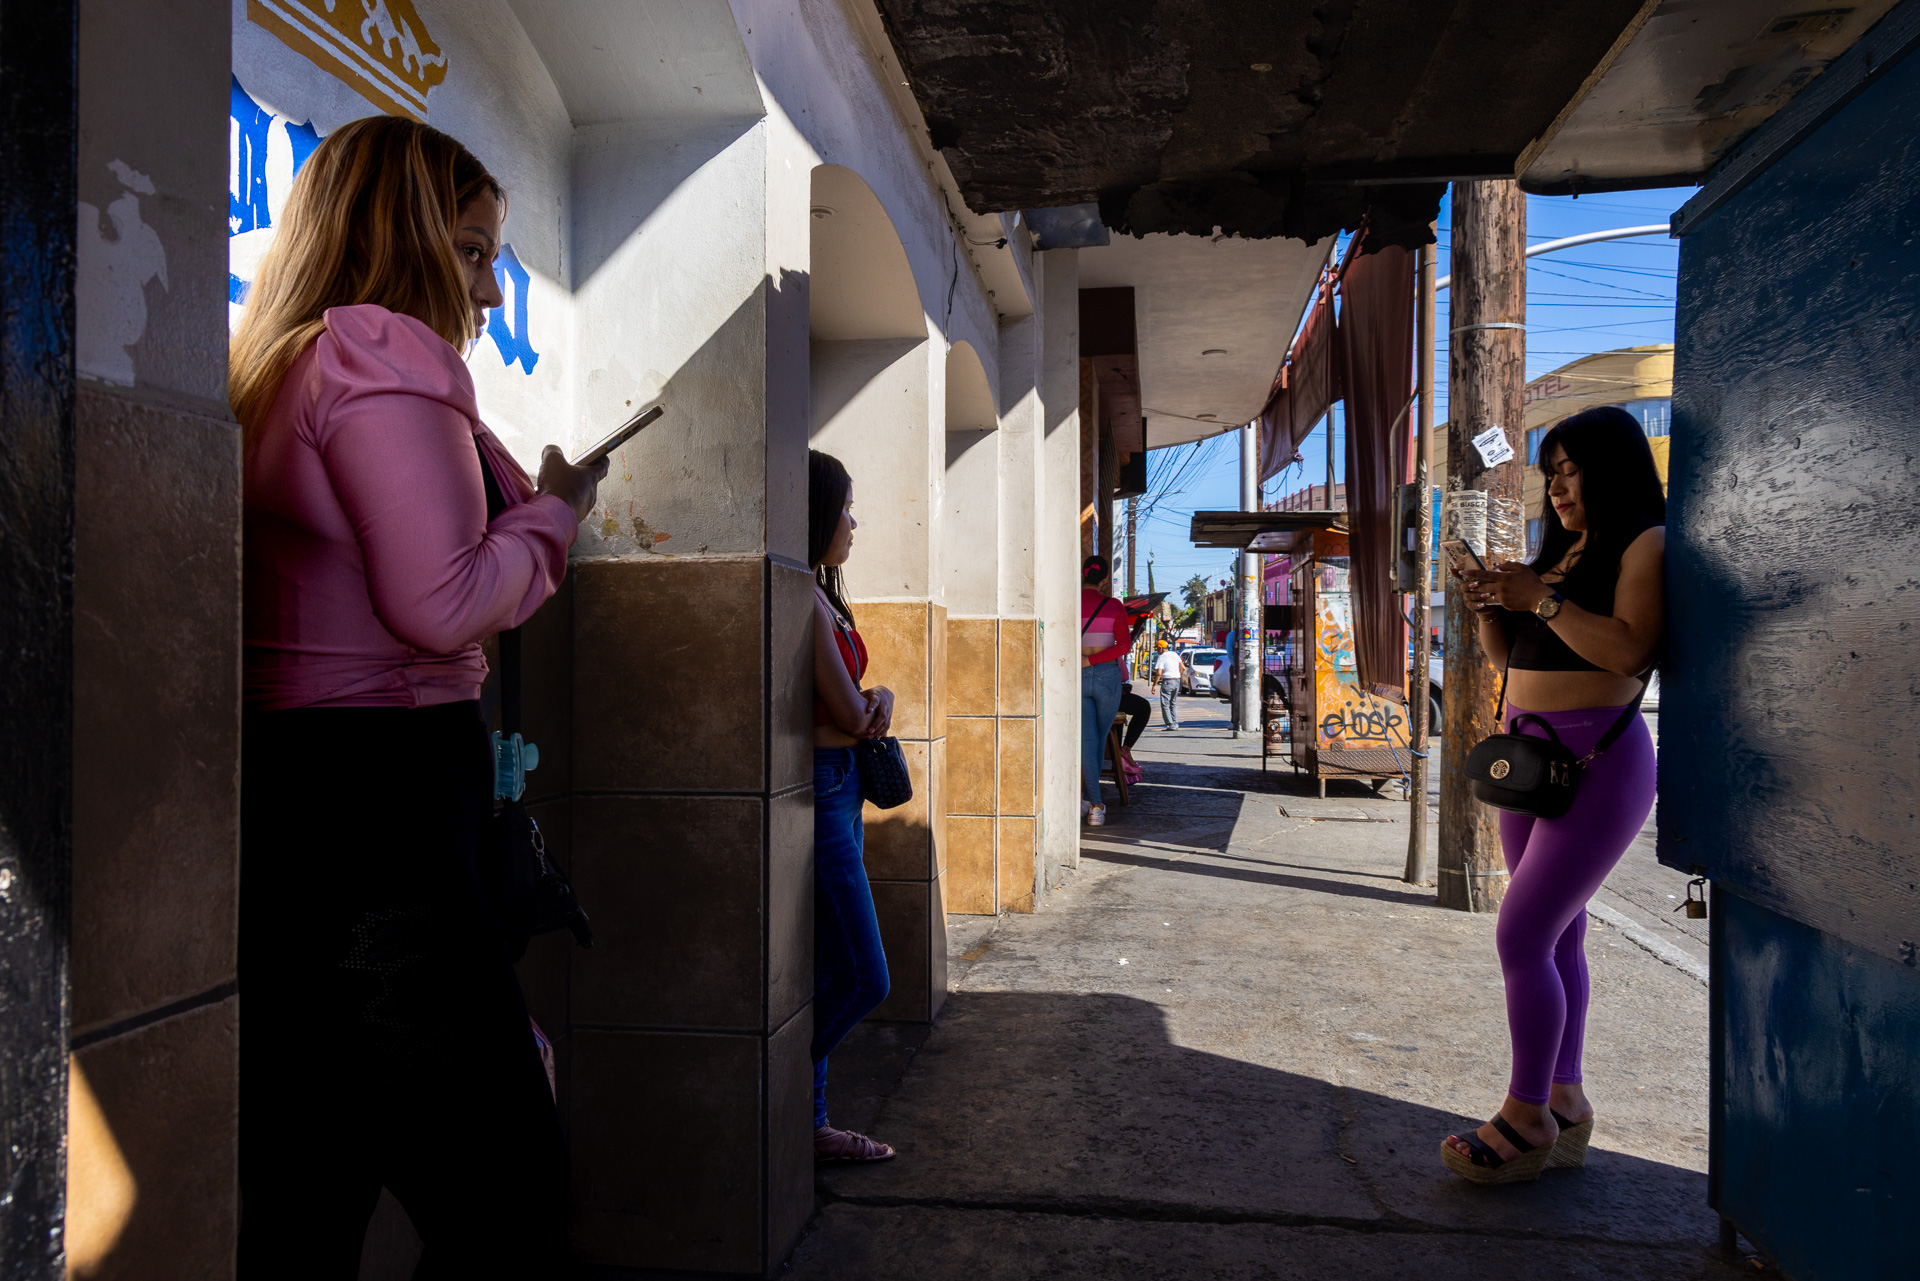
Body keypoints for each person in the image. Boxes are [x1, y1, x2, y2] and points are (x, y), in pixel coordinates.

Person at [233, 116, 606, 1273]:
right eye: (473, 249)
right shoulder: (383, 353)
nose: (489, 289)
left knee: (313, 1183)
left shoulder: (287, 361)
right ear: (400, 232)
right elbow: (442, 601)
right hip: (385, 799)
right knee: (507, 1193)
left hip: (298, 795)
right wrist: (556, 514)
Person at [1441, 405, 1666, 1184]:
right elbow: (1513, 660)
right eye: (1553, 474)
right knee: (1560, 933)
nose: (1560, 488)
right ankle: (1565, 1097)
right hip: (1529, 761)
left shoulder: (1645, 544)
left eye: (1572, 471)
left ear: (1614, 470)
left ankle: (1527, 1112)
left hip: (1598, 762)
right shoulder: (1561, 556)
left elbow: (1632, 648)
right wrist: (1489, 610)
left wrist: (1539, 598)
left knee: (1522, 933)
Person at [808, 449, 898, 1162]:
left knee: (826, 965)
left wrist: (880, 698)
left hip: (841, 784)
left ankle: (811, 1121)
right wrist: (872, 707)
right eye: (844, 509)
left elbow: (858, 708)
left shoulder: (820, 593)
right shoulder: (802, 598)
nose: (853, 523)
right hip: (823, 788)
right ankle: (776, 1078)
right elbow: (846, 712)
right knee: (866, 976)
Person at [1080, 555, 1128, 826]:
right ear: (1105, 579)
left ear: (1083, 574)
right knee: (1099, 740)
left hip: (1077, 673)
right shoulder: (1113, 606)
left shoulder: (1070, 602)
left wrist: (1083, 661)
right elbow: (1123, 646)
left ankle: (1091, 802)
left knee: (1088, 742)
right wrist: (1094, 660)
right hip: (1107, 676)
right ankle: (1095, 804)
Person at [1151, 642, 1185, 728]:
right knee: (1173, 703)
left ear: (1160, 648)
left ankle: (1170, 724)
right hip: (1176, 681)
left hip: (1167, 681)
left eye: (1157, 648)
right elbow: (1183, 668)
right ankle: (1175, 723)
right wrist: (1178, 676)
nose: (1157, 650)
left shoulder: (1161, 657)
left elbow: (1159, 673)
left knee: (1165, 704)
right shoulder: (1175, 654)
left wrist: (1154, 685)